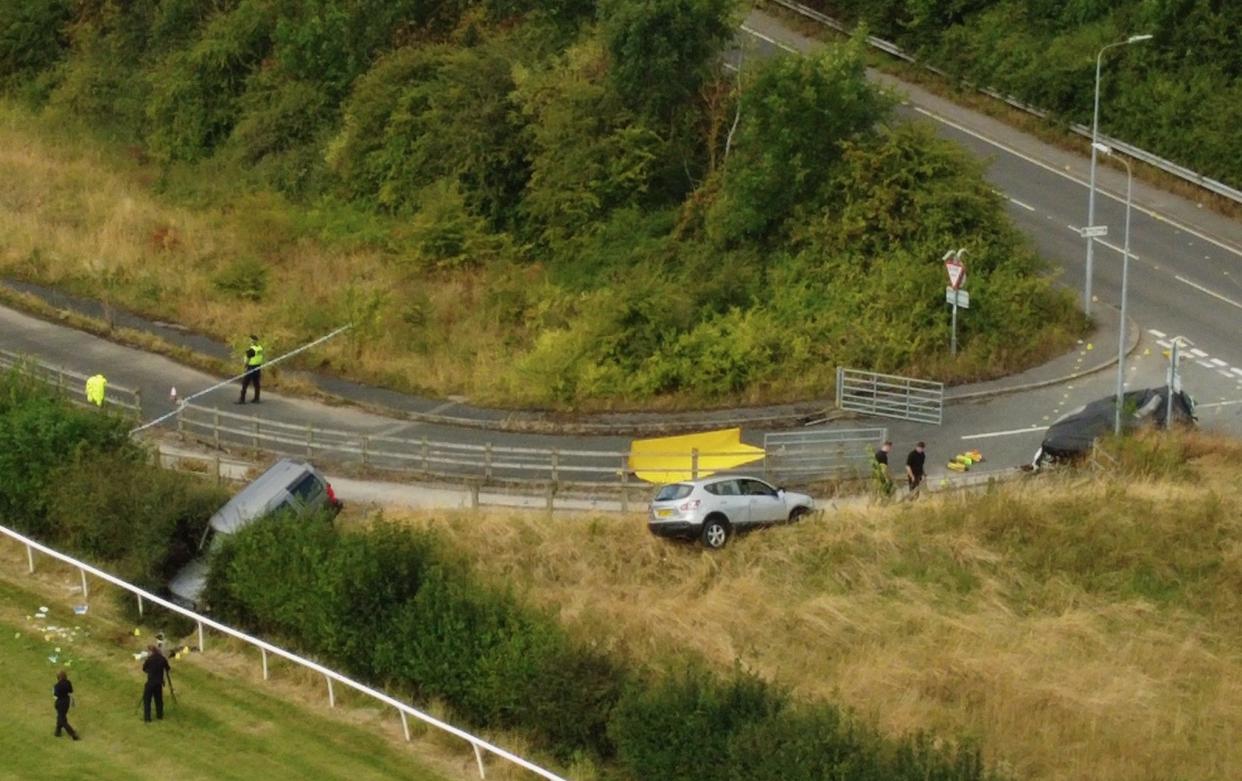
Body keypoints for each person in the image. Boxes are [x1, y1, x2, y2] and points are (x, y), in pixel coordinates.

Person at [141, 644, 171, 722]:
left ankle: (147, 718)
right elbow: (168, 668)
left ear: (151, 651)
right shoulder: (162, 659)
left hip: (150, 682)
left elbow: (144, 668)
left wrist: (149, 672)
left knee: (147, 700)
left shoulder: (149, 659)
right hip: (159, 683)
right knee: (159, 700)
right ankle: (160, 716)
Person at [237, 334, 264, 404]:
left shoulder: (251, 349)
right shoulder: (260, 348)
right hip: (258, 367)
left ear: (253, 341)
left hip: (251, 367)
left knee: (245, 384)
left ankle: (242, 399)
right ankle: (256, 398)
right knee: (256, 383)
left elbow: (247, 359)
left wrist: (245, 366)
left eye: (250, 340)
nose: (249, 341)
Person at [53, 670, 79, 740]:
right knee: (61, 716)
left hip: (60, 702)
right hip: (67, 701)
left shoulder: (57, 686)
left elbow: (55, 695)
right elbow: (71, 691)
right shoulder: (68, 682)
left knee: (62, 720)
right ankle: (57, 732)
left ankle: (73, 733)